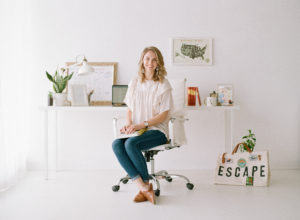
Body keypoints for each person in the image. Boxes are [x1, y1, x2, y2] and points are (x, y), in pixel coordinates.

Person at [112, 46, 173, 205]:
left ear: (158, 63)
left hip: (157, 130)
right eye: (147, 59)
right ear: (142, 61)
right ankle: (144, 187)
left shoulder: (163, 84)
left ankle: (145, 186)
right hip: (137, 130)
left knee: (131, 144)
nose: (150, 62)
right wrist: (128, 125)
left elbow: (164, 115)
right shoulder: (135, 82)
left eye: (154, 59)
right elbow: (130, 109)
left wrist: (142, 124)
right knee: (117, 145)